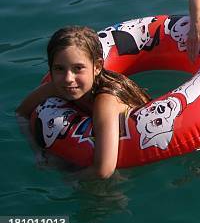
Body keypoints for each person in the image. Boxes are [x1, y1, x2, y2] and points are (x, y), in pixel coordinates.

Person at [16, 26, 150, 179]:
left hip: (139, 150)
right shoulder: (56, 87)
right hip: (95, 141)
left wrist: (66, 179)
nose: (68, 78)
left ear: (97, 67)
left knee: (109, 190)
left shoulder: (106, 100)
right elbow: (21, 113)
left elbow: (104, 170)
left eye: (78, 68)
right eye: (59, 68)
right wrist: (38, 151)